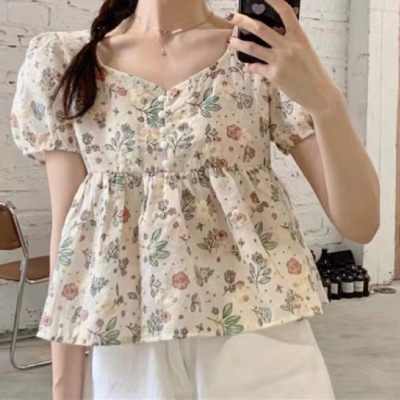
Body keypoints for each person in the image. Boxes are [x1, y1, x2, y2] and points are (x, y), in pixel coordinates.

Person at [10, 0, 379, 399]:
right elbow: (70, 239)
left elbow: (360, 224)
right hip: (130, 346)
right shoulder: (65, 60)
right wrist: (65, 388)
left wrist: (325, 101)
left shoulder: (258, 54)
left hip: (260, 335)